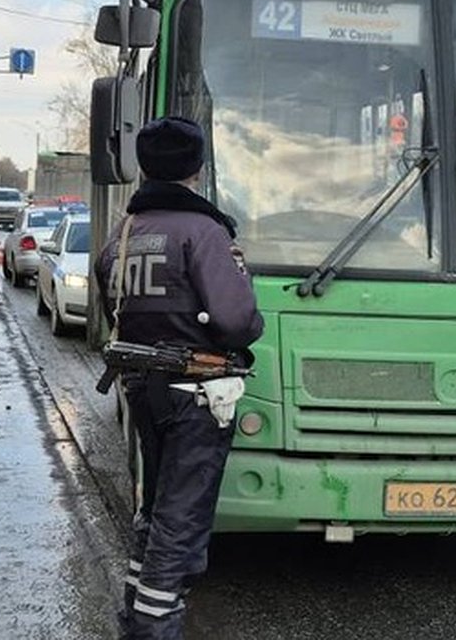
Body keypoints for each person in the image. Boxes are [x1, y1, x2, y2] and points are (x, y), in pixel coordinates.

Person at [94, 117, 263, 640]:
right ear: (197, 169)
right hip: (197, 393)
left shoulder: (123, 236)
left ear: (145, 167)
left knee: (156, 509)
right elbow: (236, 321)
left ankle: (134, 615)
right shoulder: (204, 233)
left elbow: (111, 299)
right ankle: (152, 628)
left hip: (141, 386)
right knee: (180, 522)